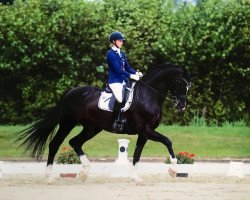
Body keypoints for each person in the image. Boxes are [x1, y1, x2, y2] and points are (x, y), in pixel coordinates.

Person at [107, 31, 141, 131]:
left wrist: (136, 73)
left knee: (131, 95)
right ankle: (115, 121)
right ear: (114, 41)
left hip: (123, 81)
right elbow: (118, 70)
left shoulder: (121, 53)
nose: (122, 42)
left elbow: (127, 67)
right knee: (120, 98)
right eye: (120, 40)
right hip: (115, 81)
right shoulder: (111, 54)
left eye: (122, 41)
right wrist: (130, 75)